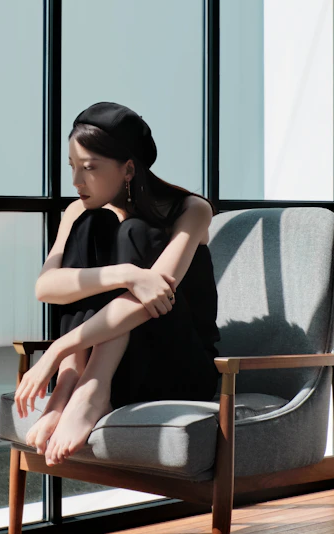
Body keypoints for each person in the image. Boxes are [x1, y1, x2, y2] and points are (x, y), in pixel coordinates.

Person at [15, 101, 221, 466]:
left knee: (135, 231)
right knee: (92, 225)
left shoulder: (190, 209)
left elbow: (154, 297)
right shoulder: (79, 212)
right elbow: (46, 287)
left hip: (177, 366)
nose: (77, 182)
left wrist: (57, 348)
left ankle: (91, 390)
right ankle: (69, 387)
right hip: (117, 368)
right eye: (73, 168)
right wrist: (127, 274)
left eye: (89, 168)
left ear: (128, 168)